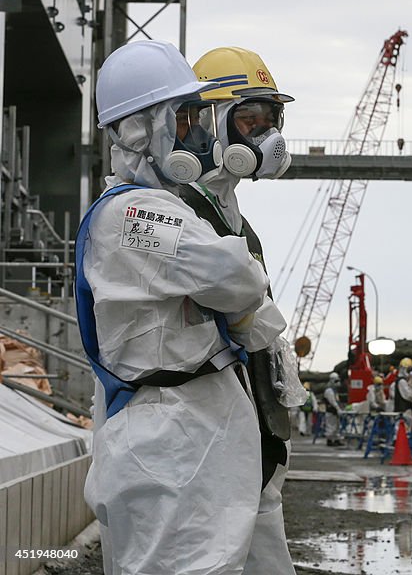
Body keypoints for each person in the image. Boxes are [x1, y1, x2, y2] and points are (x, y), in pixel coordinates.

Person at [77, 40, 277, 574]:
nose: (197, 133)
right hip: (170, 444)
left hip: (191, 439)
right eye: (184, 118)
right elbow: (235, 277)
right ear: (141, 130)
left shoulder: (158, 207)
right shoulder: (133, 213)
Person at [188, 47, 305, 575]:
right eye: (248, 119)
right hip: (206, 427)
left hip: (251, 425)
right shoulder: (180, 208)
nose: (264, 136)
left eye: (270, 120)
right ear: (209, 120)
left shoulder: (232, 214)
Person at [323, 372, 345, 445]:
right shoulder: (329, 390)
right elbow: (333, 402)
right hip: (330, 411)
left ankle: (336, 440)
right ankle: (330, 440)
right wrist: (338, 409)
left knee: (337, 426)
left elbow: (337, 401)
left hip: (334, 411)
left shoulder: (334, 390)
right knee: (331, 426)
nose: (337, 383)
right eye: (336, 381)